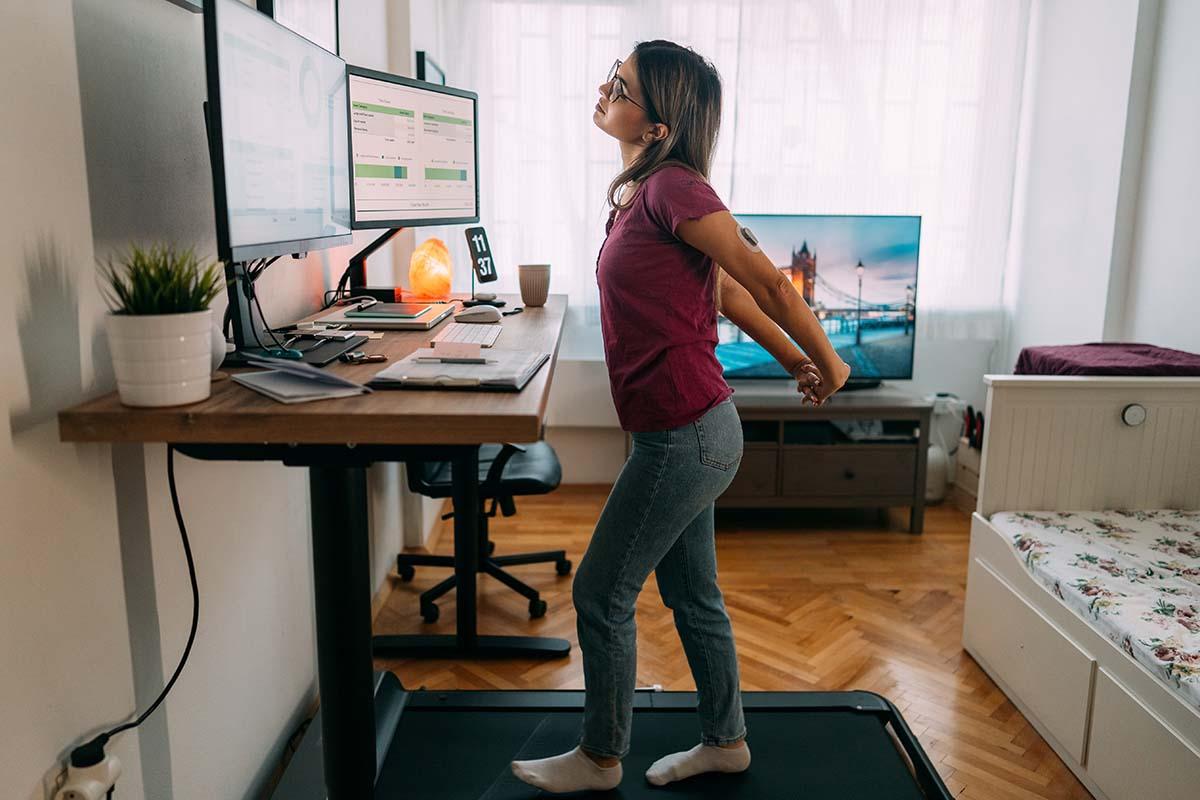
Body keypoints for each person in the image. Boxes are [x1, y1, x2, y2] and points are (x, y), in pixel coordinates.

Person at [511, 40, 851, 794]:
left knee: (601, 594)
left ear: (659, 126)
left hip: (686, 436)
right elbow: (727, 297)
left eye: (621, 85)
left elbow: (770, 284)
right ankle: (725, 742)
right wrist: (791, 361)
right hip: (688, 433)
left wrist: (830, 363)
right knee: (693, 595)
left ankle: (600, 759)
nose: (603, 89)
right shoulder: (644, 192)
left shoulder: (675, 188)